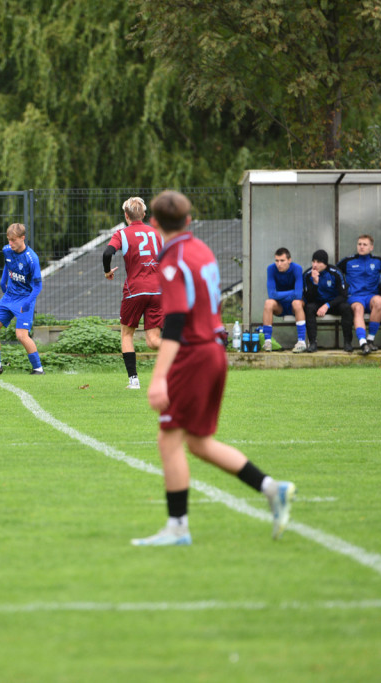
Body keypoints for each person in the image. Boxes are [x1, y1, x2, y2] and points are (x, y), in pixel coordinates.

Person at [132, 190, 295, 547]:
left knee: (169, 439)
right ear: (189, 221)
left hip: (192, 354)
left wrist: (158, 377)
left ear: (155, 223)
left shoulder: (172, 261)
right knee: (199, 443)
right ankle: (272, 488)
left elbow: (174, 323)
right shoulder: (202, 251)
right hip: (214, 351)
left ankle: (177, 527)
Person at [103, 196, 163, 388]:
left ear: (126, 216)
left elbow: (107, 253)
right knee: (153, 341)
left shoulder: (122, 234)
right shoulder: (157, 233)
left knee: (127, 334)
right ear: (144, 215)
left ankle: (134, 380)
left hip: (135, 290)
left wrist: (107, 271)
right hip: (158, 290)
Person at [0, 223, 44, 375]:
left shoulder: (32, 259)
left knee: (21, 335)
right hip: (9, 297)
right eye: (9, 239)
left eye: (14, 240)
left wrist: (29, 302)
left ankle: (38, 369)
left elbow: (38, 286)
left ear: (23, 238)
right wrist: (3, 282)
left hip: (24, 299)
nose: (10, 243)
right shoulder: (7, 250)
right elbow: (8, 265)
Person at [338, 235, 381, 354]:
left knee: (379, 301)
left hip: (371, 296)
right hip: (354, 297)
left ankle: (370, 340)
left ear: (371, 247)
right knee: (358, 308)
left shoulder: (379, 261)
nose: (361, 247)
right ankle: (363, 343)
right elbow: (334, 275)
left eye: (365, 244)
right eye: (359, 244)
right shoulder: (347, 261)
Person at [301, 249, 351, 353]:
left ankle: (347, 343)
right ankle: (313, 343)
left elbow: (343, 295)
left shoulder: (335, 272)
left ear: (325, 263)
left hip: (333, 304)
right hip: (317, 304)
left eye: (318, 262)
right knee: (309, 308)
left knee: (346, 307)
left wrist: (327, 305)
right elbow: (308, 298)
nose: (315, 265)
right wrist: (315, 283)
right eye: (313, 261)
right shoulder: (307, 275)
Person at [262, 247, 306, 352]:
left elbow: (299, 295)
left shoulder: (297, 268)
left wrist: (279, 294)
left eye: (282, 260)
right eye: (276, 260)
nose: (279, 264)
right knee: (268, 303)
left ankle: (301, 342)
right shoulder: (271, 269)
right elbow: (271, 295)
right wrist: (292, 292)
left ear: (289, 260)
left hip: (293, 306)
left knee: (297, 303)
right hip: (280, 306)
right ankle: (267, 341)